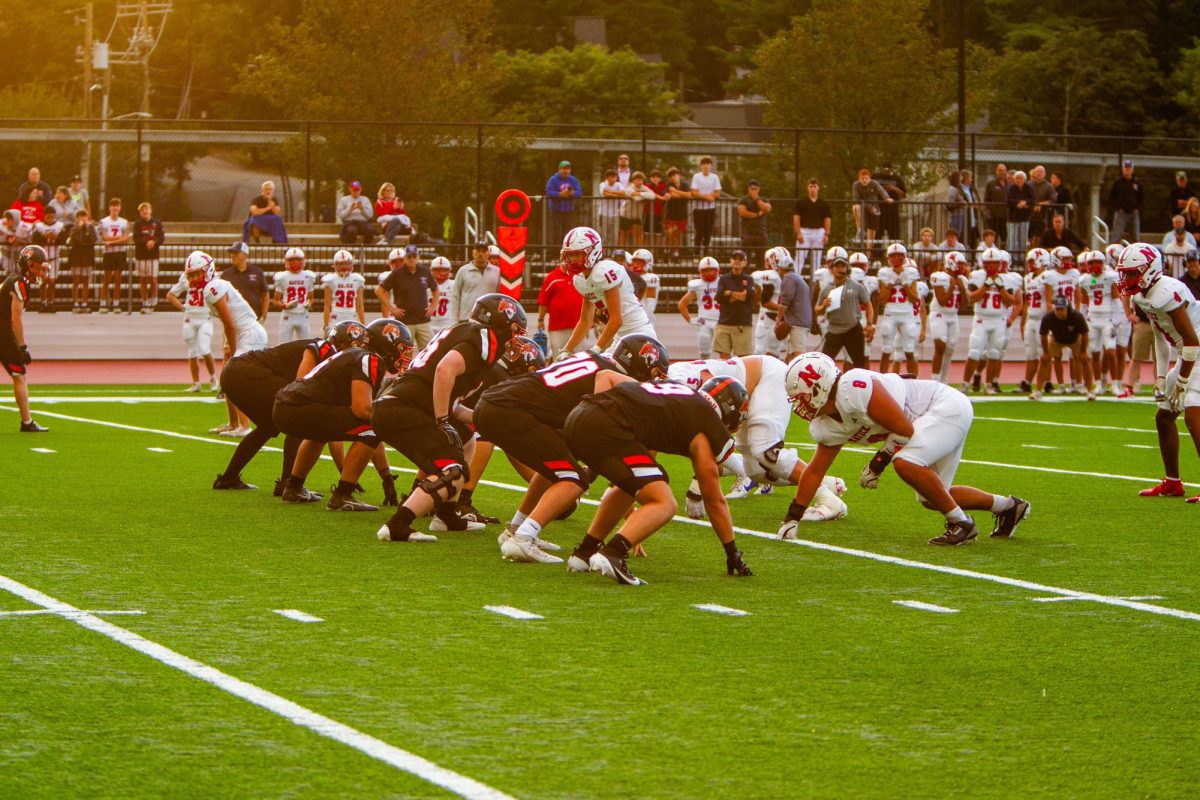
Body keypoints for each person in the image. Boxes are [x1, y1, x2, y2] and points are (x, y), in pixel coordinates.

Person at [779, 352, 1031, 545]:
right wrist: (792, 517)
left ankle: (962, 524)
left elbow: (903, 429)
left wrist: (878, 463)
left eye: (801, 396)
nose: (800, 405)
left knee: (905, 463)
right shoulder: (826, 424)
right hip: (929, 418)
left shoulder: (851, 388)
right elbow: (815, 471)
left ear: (818, 387)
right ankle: (1008, 507)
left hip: (942, 405)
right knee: (932, 497)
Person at [477, 338, 660, 563]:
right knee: (574, 479)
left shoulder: (591, 360)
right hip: (511, 409)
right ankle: (524, 538)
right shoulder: (614, 379)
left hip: (496, 404)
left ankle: (516, 530)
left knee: (555, 468)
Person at [563, 377, 754, 585]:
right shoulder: (704, 421)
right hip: (610, 425)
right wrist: (732, 552)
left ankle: (584, 553)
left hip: (580, 414)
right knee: (664, 502)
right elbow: (714, 500)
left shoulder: (679, 393)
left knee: (636, 485)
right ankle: (613, 553)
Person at [373, 294, 527, 542]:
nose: (515, 339)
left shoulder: (465, 334)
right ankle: (397, 525)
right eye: (515, 331)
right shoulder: (482, 336)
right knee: (453, 470)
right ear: (500, 323)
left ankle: (446, 515)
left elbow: (452, 403)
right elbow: (445, 369)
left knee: (467, 439)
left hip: (401, 404)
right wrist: (442, 420)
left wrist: (482, 419)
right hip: (404, 407)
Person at [667, 354, 848, 516]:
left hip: (766, 378)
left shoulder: (679, 381)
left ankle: (829, 501)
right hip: (740, 398)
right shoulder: (665, 390)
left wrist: (696, 490)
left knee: (767, 451)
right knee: (757, 471)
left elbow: (716, 405)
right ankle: (823, 482)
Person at [273, 323, 409, 511]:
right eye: (402, 348)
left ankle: (293, 488)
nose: (405, 355)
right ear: (386, 345)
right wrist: (389, 420)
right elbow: (361, 410)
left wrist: (386, 475)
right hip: (299, 407)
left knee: (321, 432)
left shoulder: (355, 355)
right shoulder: (369, 359)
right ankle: (343, 494)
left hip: (286, 406)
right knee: (371, 429)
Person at [213, 323, 348, 491]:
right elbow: (301, 388)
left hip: (234, 372)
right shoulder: (326, 351)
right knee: (298, 419)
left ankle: (228, 478)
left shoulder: (326, 350)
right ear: (343, 343)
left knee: (267, 427)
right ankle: (288, 484)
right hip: (246, 371)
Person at [1115, 244, 1200, 501]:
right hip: (1190, 355)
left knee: (1193, 415)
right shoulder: (1143, 295)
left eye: (1132, 273)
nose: (1127, 279)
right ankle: (1173, 482)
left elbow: (1191, 341)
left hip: (1197, 351)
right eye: (1125, 274)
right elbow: (1159, 336)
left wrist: (1182, 382)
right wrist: (1162, 377)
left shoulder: (1165, 292)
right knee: (1164, 417)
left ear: (1149, 270)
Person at [558, 226, 656, 355]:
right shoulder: (580, 280)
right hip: (619, 337)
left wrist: (596, 349)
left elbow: (616, 319)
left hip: (639, 333)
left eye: (577, 254)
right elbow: (585, 320)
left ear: (592, 251)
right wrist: (567, 349)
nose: (573, 259)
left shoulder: (604, 271)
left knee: (603, 372)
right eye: (570, 255)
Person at [214, 243, 271, 436]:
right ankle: (233, 423)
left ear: (244, 254)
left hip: (248, 329)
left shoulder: (256, 272)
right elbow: (226, 316)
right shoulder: (227, 276)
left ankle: (245, 424)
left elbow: (265, 294)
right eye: (232, 253)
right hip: (236, 328)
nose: (233, 256)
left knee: (235, 377)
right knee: (227, 375)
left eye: (236, 253)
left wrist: (264, 314)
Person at [1, 245, 50, 431]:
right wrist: (22, 347)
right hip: (3, 335)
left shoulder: (14, 280)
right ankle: (26, 422)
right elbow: (15, 319)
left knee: (18, 375)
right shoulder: (18, 282)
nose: (42, 271)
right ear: (29, 265)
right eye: (39, 266)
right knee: (19, 375)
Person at [961, 247, 1017, 395]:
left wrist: (1001, 287)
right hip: (981, 318)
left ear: (999, 264)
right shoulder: (977, 276)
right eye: (988, 263)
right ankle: (965, 384)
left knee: (994, 353)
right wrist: (986, 285)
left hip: (999, 319)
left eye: (994, 263)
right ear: (983, 264)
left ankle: (988, 385)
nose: (991, 266)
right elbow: (972, 298)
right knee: (974, 352)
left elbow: (1011, 302)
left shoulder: (1007, 279)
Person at [815, 247, 875, 368]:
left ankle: (862, 385)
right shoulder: (827, 288)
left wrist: (869, 323)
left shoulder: (857, 286)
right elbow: (817, 309)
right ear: (831, 269)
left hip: (852, 329)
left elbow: (869, 304)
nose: (839, 269)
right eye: (837, 266)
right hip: (834, 330)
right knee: (824, 363)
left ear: (847, 269)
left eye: (842, 266)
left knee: (859, 364)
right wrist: (823, 306)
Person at [166, 262, 219, 393]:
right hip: (190, 318)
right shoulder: (185, 277)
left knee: (205, 349)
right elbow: (170, 295)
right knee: (192, 352)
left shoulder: (211, 277)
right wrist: (183, 308)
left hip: (205, 318)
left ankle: (213, 379)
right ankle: (196, 383)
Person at [1031, 296, 1095, 400]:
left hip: (1075, 339)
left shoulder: (1077, 316)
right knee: (1044, 360)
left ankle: (1090, 391)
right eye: (1058, 309)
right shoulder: (1048, 317)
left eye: (1062, 309)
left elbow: (1084, 334)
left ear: (1067, 308)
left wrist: (1083, 351)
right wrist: (1046, 352)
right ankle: (1038, 391)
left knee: (1085, 360)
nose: (1060, 312)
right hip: (1056, 339)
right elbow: (1043, 335)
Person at [375, 244, 438, 349]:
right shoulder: (397, 274)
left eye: (414, 256)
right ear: (405, 258)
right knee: (405, 352)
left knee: (429, 352)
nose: (412, 259)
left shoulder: (424, 271)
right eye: (409, 257)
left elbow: (435, 290)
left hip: (423, 320)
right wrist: (392, 308)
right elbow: (379, 291)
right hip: (405, 321)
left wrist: (433, 306)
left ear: (418, 257)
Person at [1076, 249, 1121, 394]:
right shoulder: (1085, 280)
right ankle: (1099, 383)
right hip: (1092, 319)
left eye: (1097, 262)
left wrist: (1116, 321)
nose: (1094, 265)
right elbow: (1083, 303)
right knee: (1094, 353)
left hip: (1108, 318)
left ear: (1103, 263)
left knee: (1110, 352)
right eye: (1091, 262)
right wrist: (1081, 321)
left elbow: (1116, 300)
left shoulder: (1110, 277)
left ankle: (1114, 384)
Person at [876, 243, 922, 376]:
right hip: (890, 312)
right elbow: (883, 299)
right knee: (886, 349)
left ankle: (913, 382)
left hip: (906, 313)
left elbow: (914, 299)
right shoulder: (884, 273)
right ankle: (882, 380)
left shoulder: (911, 272)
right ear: (888, 258)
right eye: (893, 256)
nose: (896, 259)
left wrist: (905, 283)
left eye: (899, 256)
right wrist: (891, 282)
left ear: (904, 257)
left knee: (909, 350)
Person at [929, 251, 970, 384]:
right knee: (940, 346)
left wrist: (962, 288)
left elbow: (964, 305)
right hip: (939, 314)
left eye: (963, 264)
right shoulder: (939, 276)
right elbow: (941, 301)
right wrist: (952, 286)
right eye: (960, 264)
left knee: (950, 349)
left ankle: (944, 379)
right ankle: (935, 379)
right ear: (951, 263)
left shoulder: (963, 279)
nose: (963, 267)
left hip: (953, 316)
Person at [1019, 248, 1053, 393]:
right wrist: (1023, 321)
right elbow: (1026, 302)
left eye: (1032, 261)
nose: (1030, 264)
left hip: (1042, 319)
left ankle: (1047, 382)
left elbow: (1050, 300)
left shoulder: (1047, 277)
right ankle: (1027, 382)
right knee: (1030, 353)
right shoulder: (1028, 279)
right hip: (1031, 319)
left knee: (1044, 353)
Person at [536, 258, 585, 358]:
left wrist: (592, 319)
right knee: (558, 357)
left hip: (579, 326)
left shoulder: (580, 276)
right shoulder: (551, 277)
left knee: (578, 358)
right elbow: (543, 301)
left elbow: (589, 296)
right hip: (557, 327)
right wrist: (540, 320)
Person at [713, 250, 757, 358]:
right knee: (723, 357)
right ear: (730, 261)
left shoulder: (749, 279)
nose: (737, 261)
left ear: (745, 262)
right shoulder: (723, 279)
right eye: (735, 258)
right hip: (724, 322)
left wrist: (730, 293)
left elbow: (748, 297)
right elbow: (719, 297)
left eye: (740, 259)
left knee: (743, 358)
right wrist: (740, 295)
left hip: (742, 323)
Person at [771, 247, 812, 360]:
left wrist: (778, 318)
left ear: (780, 269)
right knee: (790, 355)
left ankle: (798, 377)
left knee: (797, 355)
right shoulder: (797, 278)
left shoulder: (788, 278)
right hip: (800, 321)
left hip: (797, 323)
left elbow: (785, 302)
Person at [678, 257, 722, 358]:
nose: (709, 273)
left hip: (722, 320)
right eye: (706, 270)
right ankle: (705, 368)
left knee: (724, 351)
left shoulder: (723, 282)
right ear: (700, 272)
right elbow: (682, 304)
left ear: (717, 270)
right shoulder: (697, 285)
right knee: (704, 346)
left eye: (711, 270)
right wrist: (690, 320)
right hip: (704, 321)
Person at [271, 247, 317, 343]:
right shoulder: (282, 277)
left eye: (298, 259)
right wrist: (285, 305)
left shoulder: (308, 277)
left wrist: (309, 304)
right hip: (288, 315)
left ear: (303, 260)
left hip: (303, 315)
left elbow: (311, 298)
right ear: (287, 261)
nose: (295, 262)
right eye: (292, 259)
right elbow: (275, 301)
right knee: (283, 346)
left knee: (306, 345)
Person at [450, 241, 500, 323]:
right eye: (478, 251)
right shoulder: (463, 271)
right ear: (473, 253)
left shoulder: (497, 272)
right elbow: (456, 296)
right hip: (466, 317)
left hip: (488, 318)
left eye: (484, 251)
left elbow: (498, 296)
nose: (480, 254)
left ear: (488, 254)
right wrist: (454, 320)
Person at [131, 202, 165, 314]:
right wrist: (146, 242)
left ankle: (153, 301)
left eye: (146, 209)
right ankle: (145, 302)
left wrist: (154, 242)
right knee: (143, 280)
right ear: (140, 212)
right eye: (142, 210)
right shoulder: (137, 224)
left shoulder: (157, 223)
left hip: (153, 255)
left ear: (150, 210)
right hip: (141, 256)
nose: (145, 212)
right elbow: (136, 237)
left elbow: (161, 237)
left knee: (153, 280)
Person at [97, 198, 129, 314]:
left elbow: (126, 238)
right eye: (113, 206)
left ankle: (116, 303)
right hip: (108, 253)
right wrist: (118, 238)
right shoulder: (104, 221)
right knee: (107, 278)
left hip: (119, 252)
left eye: (117, 206)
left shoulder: (123, 222)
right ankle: (103, 303)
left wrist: (112, 242)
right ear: (109, 207)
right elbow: (104, 237)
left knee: (118, 279)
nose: (115, 208)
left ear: (120, 208)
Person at [792, 178, 831, 273]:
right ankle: (796, 280)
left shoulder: (823, 203)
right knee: (799, 258)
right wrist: (798, 232)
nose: (812, 188)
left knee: (817, 260)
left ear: (818, 188)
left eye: (814, 186)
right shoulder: (801, 202)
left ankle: (815, 284)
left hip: (819, 232)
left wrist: (826, 234)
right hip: (804, 231)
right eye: (810, 186)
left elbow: (827, 219)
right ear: (807, 188)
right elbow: (796, 218)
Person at [31, 206, 64, 313]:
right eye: (48, 217)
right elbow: (34, 240)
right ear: (44, 216)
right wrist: (45, 237)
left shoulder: (59, 226)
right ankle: (43, 303)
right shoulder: (39, 226)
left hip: (54, 257)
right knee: (43, 281)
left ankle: (51, 303)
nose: (50, 219)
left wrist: (56, 238)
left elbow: (63, 240)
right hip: (43, 258)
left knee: (52, 281)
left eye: (52, 217)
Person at [322, 249, 366, 330]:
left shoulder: (357, 279)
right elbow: (327, 305)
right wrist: (326, 324)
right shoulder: (331, 280)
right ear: (335, 265)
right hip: (336, 317)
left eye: (346, 263)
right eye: (340, 264)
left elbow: (359, 306)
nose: (344, 267)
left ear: (351, 264)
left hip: (352, 316)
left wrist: (363, 325)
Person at [851, 168, 891, 248]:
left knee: (871, 236)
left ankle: (868, 257)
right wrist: (869, 207)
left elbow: (881, 191)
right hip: (863, 209)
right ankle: (860, 230)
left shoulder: (874, 183)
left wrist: (887, 198)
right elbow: (856, 199)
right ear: (859, 179)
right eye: (862, 178)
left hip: (875, 209)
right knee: (855, 207)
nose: (864, 180)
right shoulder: (856, 185)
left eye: (866, 178)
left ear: (870, 178)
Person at [65, 209, 96, 313]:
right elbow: (75, 239)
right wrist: (80, 228)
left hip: (87, 257)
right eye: (80, 216)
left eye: (84, 216)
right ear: (77, 218)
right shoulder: (74, 228)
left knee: (86, 281)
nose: (83, 218)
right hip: (76, 257)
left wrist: (87, 229)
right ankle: (75, 303)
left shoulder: (91, 228)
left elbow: (93, 239)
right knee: (76, 281)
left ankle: (84, 303)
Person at [690, 156, 722, 253]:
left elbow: (717, 193)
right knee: (699, 233)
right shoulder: (696, 176)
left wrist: (708, 196)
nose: (706, 166)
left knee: (708, 233)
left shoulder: (715, 177)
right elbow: (694, 192)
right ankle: (696, 254)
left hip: (710, 209)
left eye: (708, 164)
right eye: (704, 164)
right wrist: (707, 197)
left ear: (711, 166)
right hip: (698, 209)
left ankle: (706, 254)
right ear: (701, 166)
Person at [545, 160, 581, 245]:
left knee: (568, 232)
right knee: (556, 232)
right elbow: (548, 191)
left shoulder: (573, 179)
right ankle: (555, 253)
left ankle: (567, 252)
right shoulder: (553, 179)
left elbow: (579, 191)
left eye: (568, 168)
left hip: (568, 210)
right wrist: (559, 194)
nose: (566, 171)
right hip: (556, 209)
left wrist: (573, 193)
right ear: (559, 169)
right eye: (564, 168)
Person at [737, 180, 771, 267]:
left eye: (756, 189)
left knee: (762, 259)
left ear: (759, 189)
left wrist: (757, 200)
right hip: (747, 233)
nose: (754, 191)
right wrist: (757, 214)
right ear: (748, 189)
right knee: (745, 259)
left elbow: (767, 209)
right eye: (752, 189)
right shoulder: (743, 200)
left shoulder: (763, 199)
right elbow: (742, 212)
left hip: (761, 233)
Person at [1109, 160, 1144, 243]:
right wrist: (1118, 208)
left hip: (1133, 213)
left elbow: (1141, 197)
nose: (1127, 170)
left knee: (1136, 237)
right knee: (1116, 236)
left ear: (1132, 169)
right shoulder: (1118, 183)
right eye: (1126, 168)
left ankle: (1136, 254)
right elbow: (1112, 197)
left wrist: (1137, 208)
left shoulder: (1137, 183)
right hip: (1121, 213)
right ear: (1123, 169)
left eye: (1129, 168)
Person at [619, 172, 655, 248]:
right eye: (637, 180)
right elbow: (636, 198)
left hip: (637, 216)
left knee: (638, 236)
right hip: (626, 215)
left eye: (641, 180)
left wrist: (640, 194)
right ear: (633, 180)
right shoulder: (629, 188)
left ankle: (639, 254)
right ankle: (621, 253)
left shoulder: (644, 188)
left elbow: (652, 195)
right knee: (623, 236)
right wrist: (644, 195)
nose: (639, 182)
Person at [873, 163, 907, 242]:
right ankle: (877, 254)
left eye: (888, 170)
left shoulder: (897, 179)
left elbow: (904, 194)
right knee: (877, 235)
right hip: (878, 210)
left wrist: (894, 189)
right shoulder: (876, 177)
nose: (886, 172)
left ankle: (894, 252)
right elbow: (870, 190)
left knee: (894, 235)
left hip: (892, 210)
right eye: (884, 170)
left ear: (891, 169)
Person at [1005, 171, 1034, 256]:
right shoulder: (1011, 188)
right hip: (1012, 219)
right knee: (1012, 241)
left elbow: (1033, 199)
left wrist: (1025, 202)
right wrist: (1018, 203)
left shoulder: (1028, 187)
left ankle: (1021, 259)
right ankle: (1011, 258)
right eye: (1017, 178)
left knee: (1023, 240)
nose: (1019, 180)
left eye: (1021, 178)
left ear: (1024, 179)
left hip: (1024, 218)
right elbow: (1008, 200)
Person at [664, 167, 690, 257]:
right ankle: (667, 250)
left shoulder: (685, 184)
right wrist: (681, 194)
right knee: (669, 233)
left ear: (678, 175)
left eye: (674, 175)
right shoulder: (668, 185)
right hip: (671, 214)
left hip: (682, 214)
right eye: (670, 176)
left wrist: (675, 191)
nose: (673, 177)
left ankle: (676, 252)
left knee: (678, 234)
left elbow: (689, 195)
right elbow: (669, 195)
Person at [1027, 166, 1057, 247]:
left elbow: (1053, 200)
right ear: (1034, 173)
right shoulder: (1028, 185)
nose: (1039, 173)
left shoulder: (1049, 186)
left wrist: (1041, 204)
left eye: (1041, 172)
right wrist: (1032, 204)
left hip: (1042, 217)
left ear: (1045, 174)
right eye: (1037, 172)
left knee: (1039, 238)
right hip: (1028, 216)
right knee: (1028, 239)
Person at [629, 248, 659, 324]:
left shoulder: (651, 278)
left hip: (643, 314)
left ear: (648, 263)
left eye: (640, 262)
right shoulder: (629, 276)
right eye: (634, 261)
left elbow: (651, 302)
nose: (636, 264)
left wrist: (646, 318)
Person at [982, 163, 1008, 248]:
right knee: (994, 237)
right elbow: (986, 200)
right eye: (1000, 170)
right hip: (994, 217)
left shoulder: (1010, 185)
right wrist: (991, 210)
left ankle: (1004, 255)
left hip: (1006, 217)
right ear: (996, 172)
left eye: (1004, 170)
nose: (1002, 172)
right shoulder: (991, 184)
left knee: (1005, 237)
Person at [595, 168, 624, 245]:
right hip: (604, 213)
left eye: (614, 177)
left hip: (615, 214)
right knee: (604, 235)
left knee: (615, 235)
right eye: (611, 177)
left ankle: (613, 253)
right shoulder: (603, 184)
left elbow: (623, 193)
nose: (613, 179)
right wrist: (618, 195)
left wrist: (610, 192)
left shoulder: (619, 184)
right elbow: (605, 194)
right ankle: (605, 252)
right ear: (607, 178)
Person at [427, 256, 454, 333]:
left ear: (449, 270)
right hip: (430, 324)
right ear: (432, 270)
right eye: (437, 270)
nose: (441, 272)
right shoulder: (427, 285)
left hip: (447, 324)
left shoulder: (454, 285)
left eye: (444, 270)